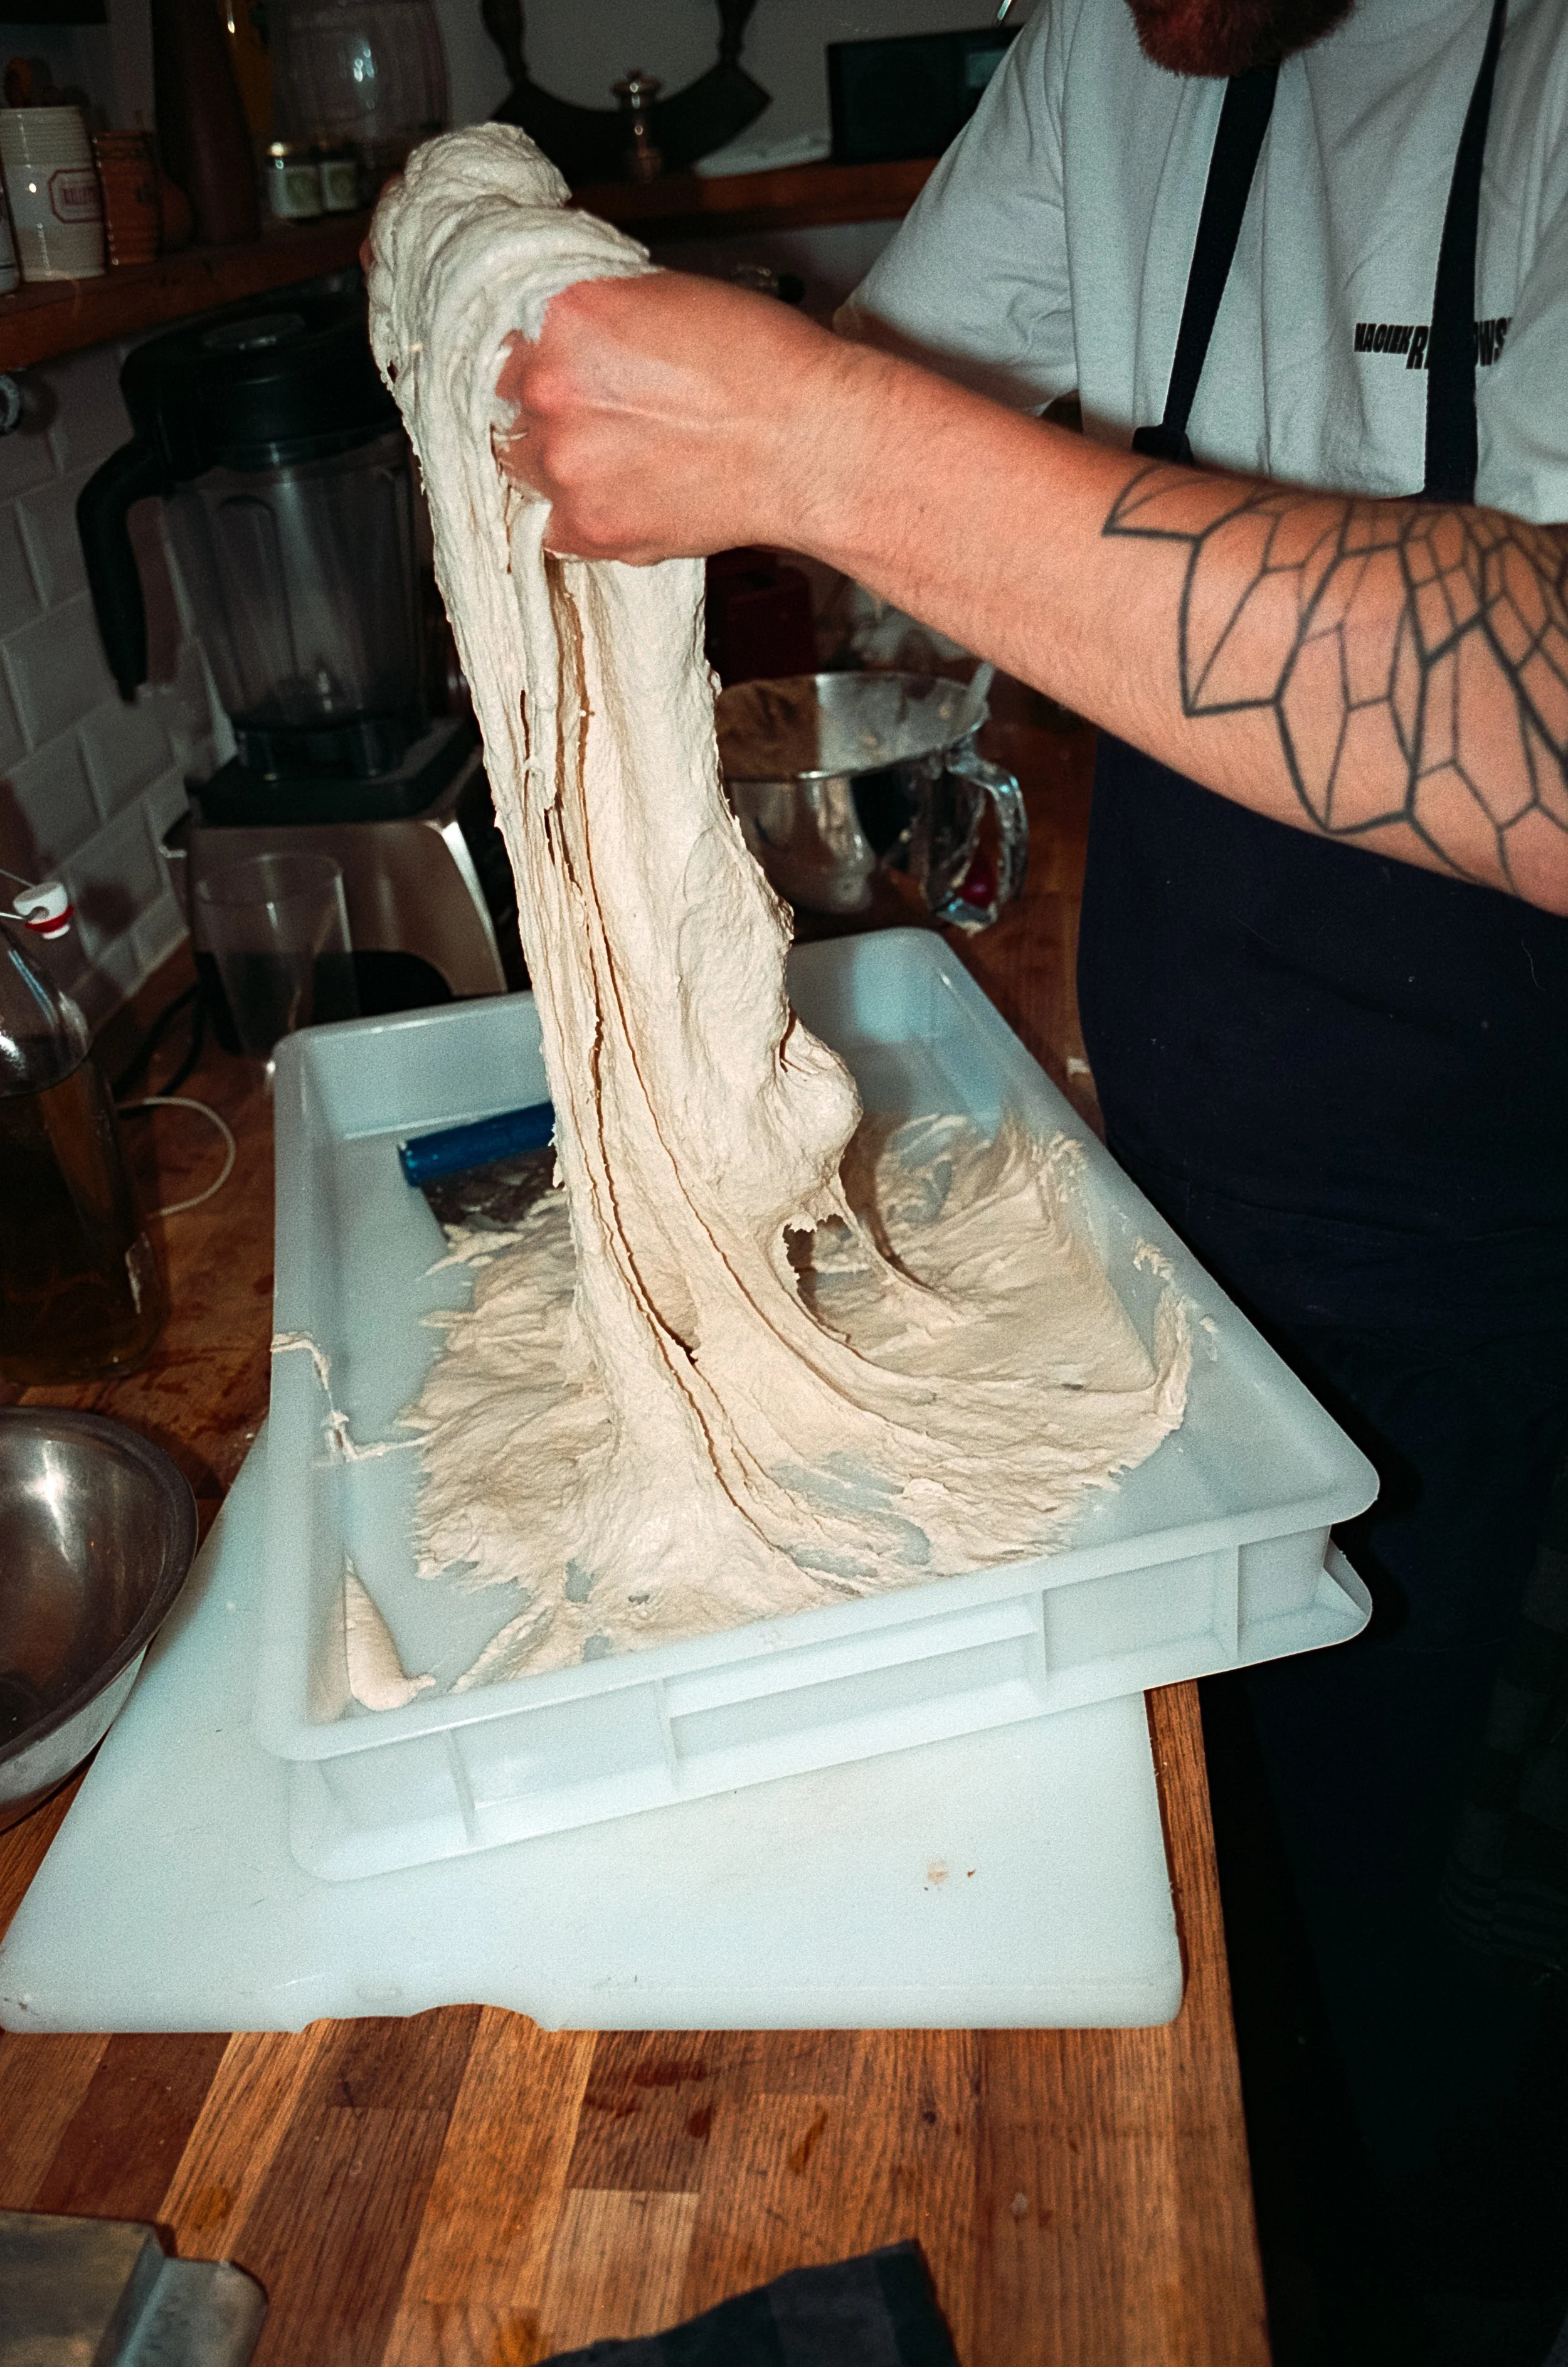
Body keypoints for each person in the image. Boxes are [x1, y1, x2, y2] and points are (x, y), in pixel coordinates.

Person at [495, 1, 1568, 2357]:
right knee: (1231, 1883)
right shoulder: (1128, 37)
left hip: (1525, 1258)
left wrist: (808, 434)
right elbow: (886, 457)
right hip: (1198, 1209)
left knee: (1441, 1969)